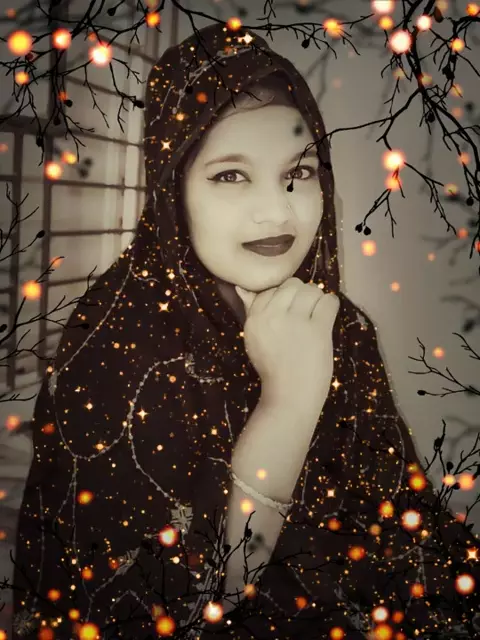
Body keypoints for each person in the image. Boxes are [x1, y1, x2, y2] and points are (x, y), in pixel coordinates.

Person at [11, 21, 480, 640]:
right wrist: (287, 405)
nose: (277, 211)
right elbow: (169, 606)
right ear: (173, 187)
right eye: (230, 175)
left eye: (299, 173)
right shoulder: (111, 346)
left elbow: (405, 523)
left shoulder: (338, 323)